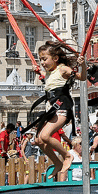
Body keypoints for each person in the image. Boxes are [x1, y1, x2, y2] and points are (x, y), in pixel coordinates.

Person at [34, 42, 77, 180]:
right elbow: (49, 77)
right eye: (40, 60)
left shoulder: (63, 69)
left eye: (44, 59)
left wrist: (81, 65)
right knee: (39, 140)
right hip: (52, 110)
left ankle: (67, 156)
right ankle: (57, 163)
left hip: (62, 109)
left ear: (55, 58)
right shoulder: (50, 73)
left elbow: (81, 77)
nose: (42, 62)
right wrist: (39, 72)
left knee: (45, 136)